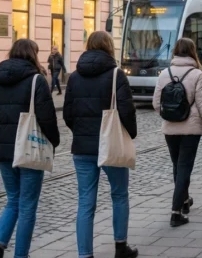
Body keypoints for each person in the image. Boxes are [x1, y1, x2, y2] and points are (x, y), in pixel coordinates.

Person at [64, 31, 139, 258]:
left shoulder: (75, 76)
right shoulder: (116, 75)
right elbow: (127, 110)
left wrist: (80, 132)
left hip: (82, 148)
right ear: (108, 47)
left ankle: (85, 254)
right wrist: (131, 134)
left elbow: (68, 113)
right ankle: (120, 247)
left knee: (86, 202)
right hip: (112, 145)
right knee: (119, 195)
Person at [0, 39, 60, 258]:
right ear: (32, 55)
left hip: (4, 151)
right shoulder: (36, 80)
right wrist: (54, 142)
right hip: (29, 149)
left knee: (13, 200)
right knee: (27, 206)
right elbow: (47, 117)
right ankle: (21, 255)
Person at [152, 38, 202, 228]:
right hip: (191, 130)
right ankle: (176, 213)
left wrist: (170, 115)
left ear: (175, 51)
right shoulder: (197, 74)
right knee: (184, 167)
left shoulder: (164, 73)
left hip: (170, 128)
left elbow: (156, 104)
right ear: (192, 52)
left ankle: (184, 202)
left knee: (177, 165)